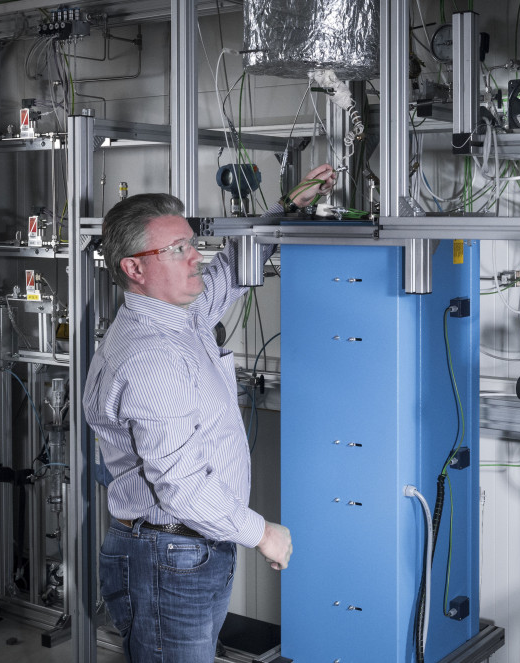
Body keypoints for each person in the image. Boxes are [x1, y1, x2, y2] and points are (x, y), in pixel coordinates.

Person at [84, 165, 337, 662]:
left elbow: (232, 271)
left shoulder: (183, 317)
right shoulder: (151, 354)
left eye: (190, 243)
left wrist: (289, 206)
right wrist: (261, 532)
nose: (196, 255)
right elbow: (180, 485)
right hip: (167, 555)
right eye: (176, 249)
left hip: (189, 550)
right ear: (134, 269)